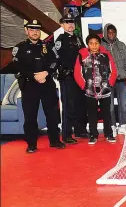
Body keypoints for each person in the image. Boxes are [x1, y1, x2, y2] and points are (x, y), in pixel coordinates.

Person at [12, 19, 66, 153]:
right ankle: (31, 144)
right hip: (30, 86)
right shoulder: (20, 48)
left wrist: (46, 72)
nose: (35, 33)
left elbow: (56, 61)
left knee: (52, 114)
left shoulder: (47, 46)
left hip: (47, 84)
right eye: (32, 30)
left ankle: (54, 141)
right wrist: (33, 76)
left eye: (37, 30)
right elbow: (17, 68)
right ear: (26, 31)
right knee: (30, 117)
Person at [74, 34, 118, 144]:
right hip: (89, 91)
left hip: (105, 90)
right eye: (91, 43)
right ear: (88, 44)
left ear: (100, 44)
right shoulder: (82, 55)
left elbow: (113, 71)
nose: (94, 46)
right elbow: (77, 73)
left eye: (96, 43)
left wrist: (110, 84)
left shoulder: (106, 55)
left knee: (107, 113)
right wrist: (84, 86)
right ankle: (93, 135)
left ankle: (109, 134)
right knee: (92, 114)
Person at [54, 13, 87, 143]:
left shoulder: (78, 39)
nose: (70, 25)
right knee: (69, 105)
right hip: (67, 76)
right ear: (62, 25)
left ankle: (80, 130)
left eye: (72, 22)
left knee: (80, 103)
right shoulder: (60, 40)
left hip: (79, 76)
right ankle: (67, 134)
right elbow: (58, 58)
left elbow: (84, 54)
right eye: (67, 22)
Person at [101, 24, 126, 133]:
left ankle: (123, 125)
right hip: (107, 81)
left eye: (113, 32)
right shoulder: (100, 46)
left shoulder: (121, 45)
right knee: (110, 106)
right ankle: (112, 126)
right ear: (105, 33)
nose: (111, 34)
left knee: (122, 105)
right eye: (109, 32)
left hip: (121, 80)